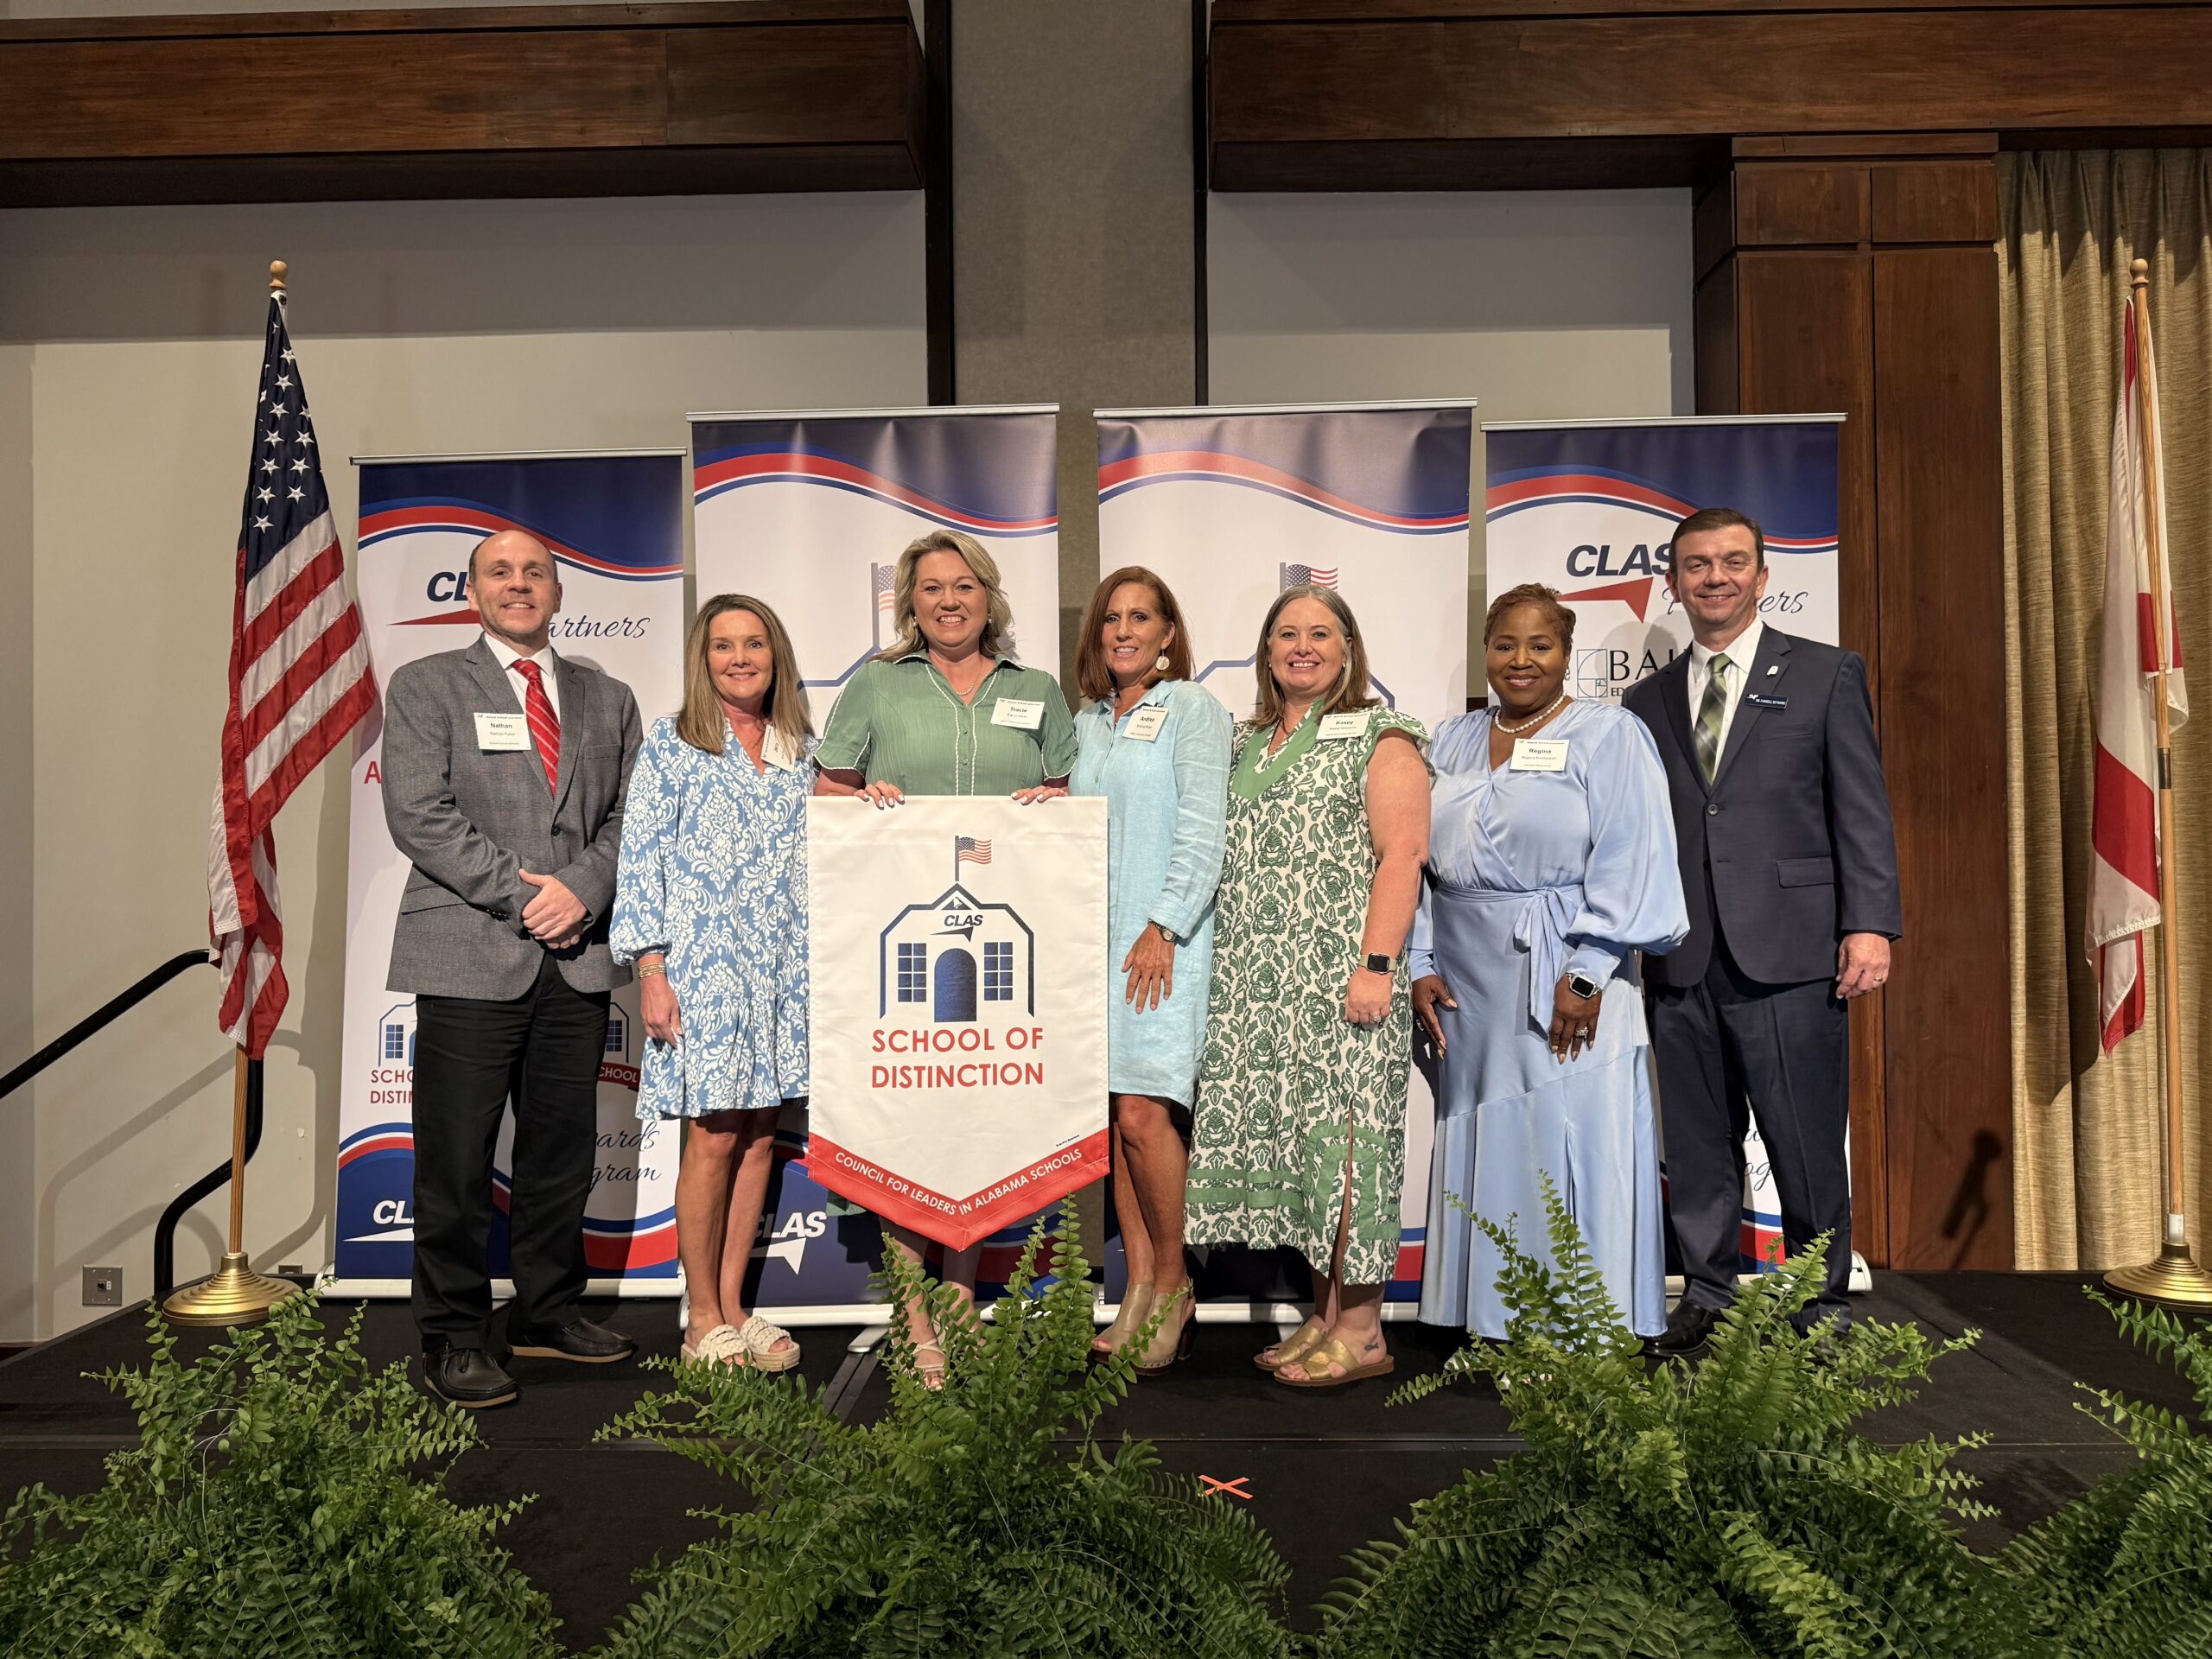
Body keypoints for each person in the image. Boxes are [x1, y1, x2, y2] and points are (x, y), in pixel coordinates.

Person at [1624, 506, 1902, 1353]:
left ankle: (1817, 1307)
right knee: (1700, 1146)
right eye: (1697, 564)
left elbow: (1861, 809)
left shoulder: (1825, 674)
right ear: (1672, 583)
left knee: (1804, 1142)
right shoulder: (1643, 700)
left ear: (1762, 577)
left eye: (1733, 562)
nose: (1715, 577)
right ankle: (1706, 1295)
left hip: (1790, 952)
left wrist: (1869, 924)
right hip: (1682, 954)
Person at [381, 528, 644, 1408]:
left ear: (559, 591)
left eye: (535, 572)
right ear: (472, 592)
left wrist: (579, 890)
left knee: (560, 1153)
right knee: (454, 1160)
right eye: (501, 572)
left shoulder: (607, 697)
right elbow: (420, 814)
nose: (519, 585)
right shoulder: (426, 687)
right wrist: (527, 897)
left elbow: (630, 821)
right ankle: (455, 1334)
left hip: (576, 957)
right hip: (467, 952)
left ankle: (545, 1312)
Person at [815, 527, 1079, 1385]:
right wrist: (867, 803)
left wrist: (1047, 801)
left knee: (980, 1117)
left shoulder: (1035, 690)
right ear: (910, 603)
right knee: (905, 1119)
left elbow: (1069, 803)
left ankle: (962, 1297)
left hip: (1007, 947)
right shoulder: (875, 687)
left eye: (963, 586)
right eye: (931, 589)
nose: (949, 601)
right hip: (903, 943)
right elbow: (828, 796)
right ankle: (914, 1308)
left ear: (988, 595)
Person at [1411, 585, 1688, 1341]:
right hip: (1469, 986)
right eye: (1505, 644)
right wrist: (1420, 957)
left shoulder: (1610, 734)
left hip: (1568, 974)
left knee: (1569, 1136)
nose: (1521, 660)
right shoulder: (1452, 740)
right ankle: (1490, 1319)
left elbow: (1636, 856)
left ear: (1568, 653)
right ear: (1487, 651)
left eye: (1541, 645)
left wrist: (1589, 968)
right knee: (1490, 1138)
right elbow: (1415, 863)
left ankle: (1576, 1327)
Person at [1185, 585, 1430, 1389]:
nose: (1303, 646)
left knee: (1351, 1146)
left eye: (1320, 633)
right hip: (1262, 986)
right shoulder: (1245, 740)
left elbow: (1403, 856)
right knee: (1302, 1152)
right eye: (1286, 634)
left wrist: (1378, 965)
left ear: (1348, 648)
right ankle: (1324, 1314)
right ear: (1265, 652)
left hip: (1341, 978)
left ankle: (1362, 1329)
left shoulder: (1382, 737)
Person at [611, 594, 813, 1374]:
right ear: (703, 660)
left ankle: (734, 1307)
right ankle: (698, 1317)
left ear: (775, 655)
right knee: (714, 1135)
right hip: (704, 970)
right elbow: (641, 862)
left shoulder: (802, 744)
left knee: (762, 1134)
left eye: (754, 643)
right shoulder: (672, 743)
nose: (740, 658)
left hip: (783, 973)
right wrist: (651, 972)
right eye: (724, 646)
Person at [1069, 568, 1231, 1376]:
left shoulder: (1192, 710)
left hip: (1163, 942)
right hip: (1091, 950)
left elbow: (1205, 831)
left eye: (1141, 618)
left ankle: (1174, 1285)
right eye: (1112, 619)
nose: (1124, 631)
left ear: (1169, 633)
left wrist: (1164, 926)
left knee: (1143, 1115)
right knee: (1111, 1121)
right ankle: (1136, 1286)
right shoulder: (1090, 721)